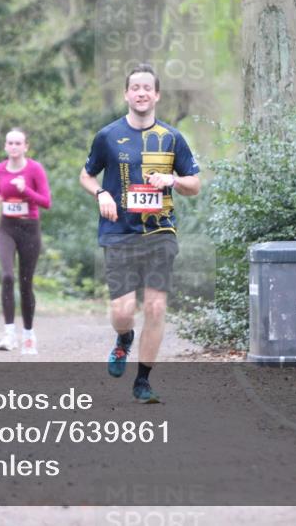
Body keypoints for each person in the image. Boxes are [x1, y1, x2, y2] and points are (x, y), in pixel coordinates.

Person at [79, 63, 200, 403]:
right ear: (126, 94)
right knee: (123, 311)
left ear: (157, 95)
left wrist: (172, 179)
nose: (141, 93)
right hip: (118, 232)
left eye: (148, 88)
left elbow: (194, 185)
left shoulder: (172, 138)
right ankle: (124, 338)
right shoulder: (107, 136)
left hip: (160, 232)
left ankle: (143, 380)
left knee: (156, 308)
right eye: (135, 88)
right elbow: (86, 175)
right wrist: (101, 193)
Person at [0, 128, 51, 355]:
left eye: (18, 143)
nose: (14, 147)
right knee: (7, 276)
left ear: (26, 146)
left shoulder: (35, 169)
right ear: (5, 146)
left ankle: (28, 335)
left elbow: (46, 202)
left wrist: (26, 191)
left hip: (29, 229)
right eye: (10, 143)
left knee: (26, 283)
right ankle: (9, 334)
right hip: (6, 228)